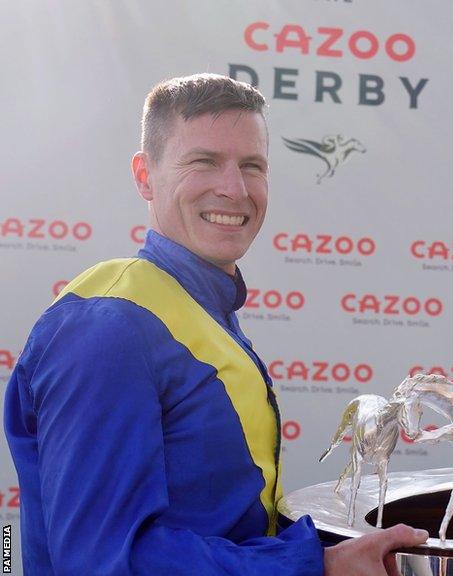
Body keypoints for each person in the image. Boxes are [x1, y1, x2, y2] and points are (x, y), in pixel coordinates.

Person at [4, 74, 426, 575]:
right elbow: (103, 561)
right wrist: (316, 564)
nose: (235, 189)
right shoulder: (110, 326)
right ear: (145, 175)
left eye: (253, 166)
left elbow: (226, 523)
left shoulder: (197, 308)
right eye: (203, 162)